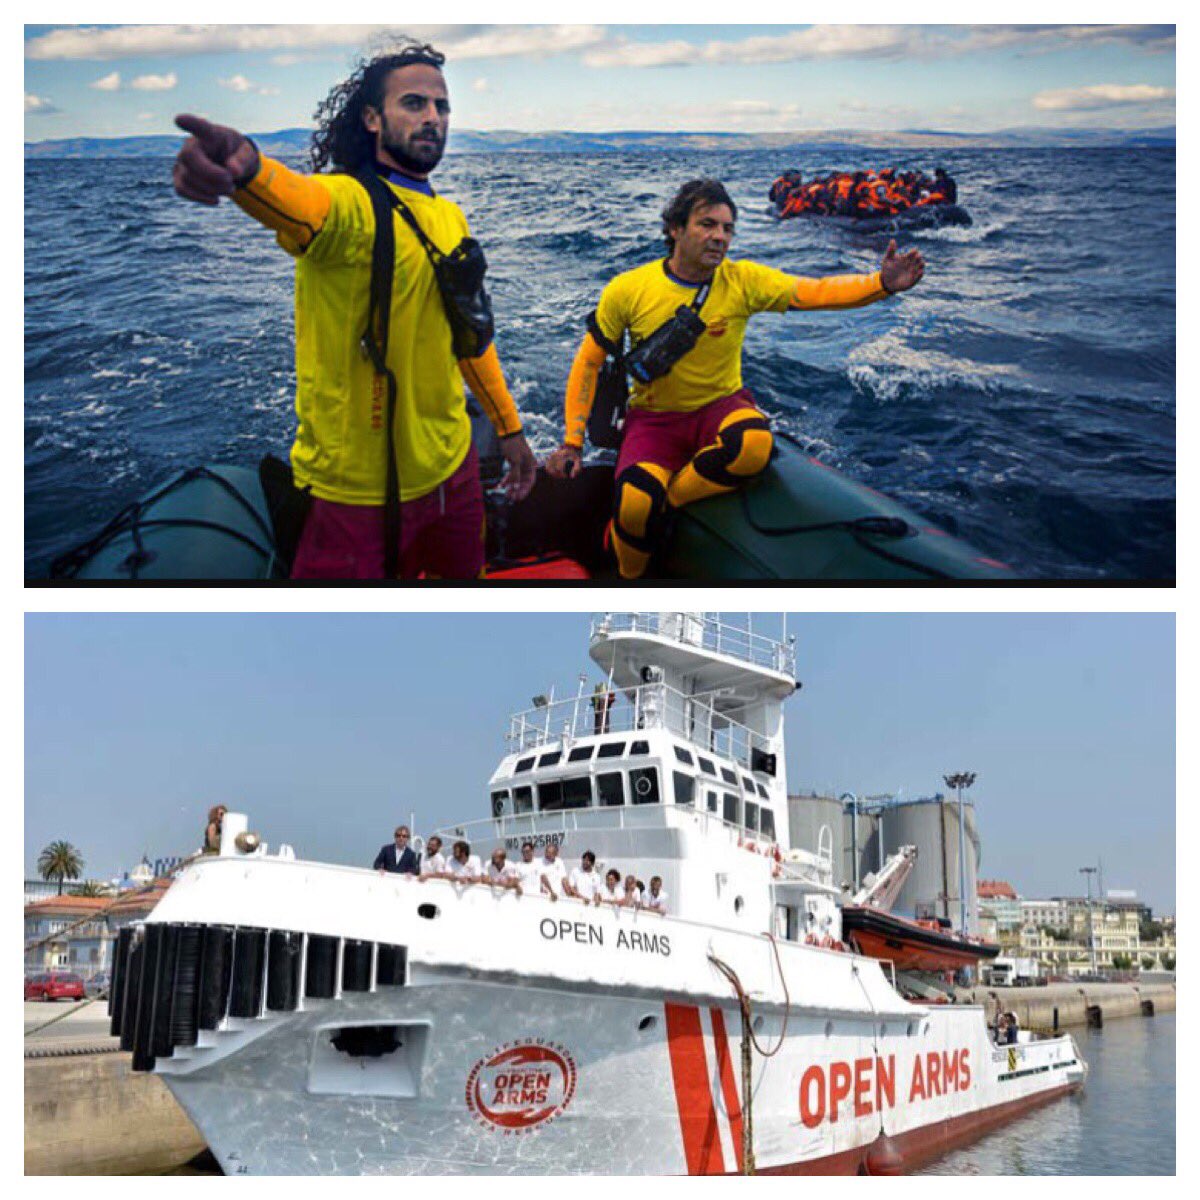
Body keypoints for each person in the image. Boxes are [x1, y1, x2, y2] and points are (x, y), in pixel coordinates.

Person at [170, 41, 537, 579]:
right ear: (371, 117)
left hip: (453, 473)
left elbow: (471, 338)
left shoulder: (450, 218)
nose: (433, 117)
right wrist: (245, 167)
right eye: (414, 103)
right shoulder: (345, 203)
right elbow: (297, 202)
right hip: (355, 498)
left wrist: (508, 427)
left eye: (442, 106)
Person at [546, 178, 924, 578]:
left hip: (720, 406)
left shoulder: (742, 281)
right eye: (707, 224)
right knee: (636, 504)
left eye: (727, 229)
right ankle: (628, 575)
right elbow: (588, 363)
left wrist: (880, 284)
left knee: (753, 446)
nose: (719, 237)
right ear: (675, 228)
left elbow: (815, 292)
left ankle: (670, 503)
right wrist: (573, 440)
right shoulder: (628, 290)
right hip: (654, 419)